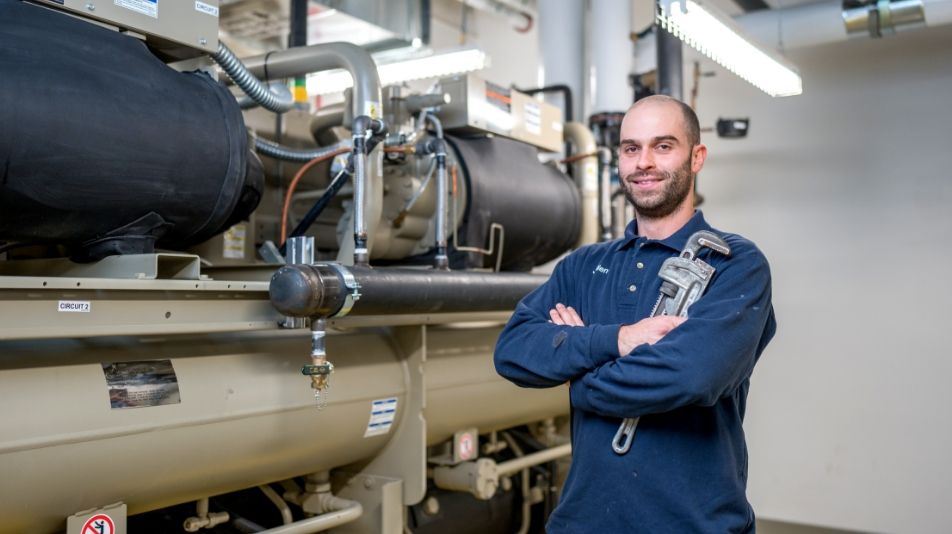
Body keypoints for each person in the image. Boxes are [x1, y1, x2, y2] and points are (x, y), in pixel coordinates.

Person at [494, 95, 777, 533]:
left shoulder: (736, 264)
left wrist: (580, 378)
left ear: (696, 156)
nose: (643, 162)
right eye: (631, 148)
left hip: (695, 524)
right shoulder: (583, 266)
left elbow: (690, 376)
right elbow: (512, 351)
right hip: (583, 522)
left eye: (663, 146)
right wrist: (615, 340)